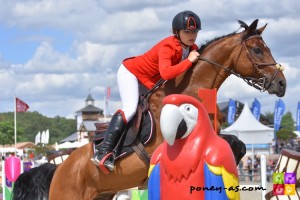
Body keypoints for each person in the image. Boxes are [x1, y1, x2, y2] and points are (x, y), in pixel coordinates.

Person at [92, 10, 201, 173]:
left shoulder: (192, 48)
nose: (191, 35)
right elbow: (166, 73)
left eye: (194, 31)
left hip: (149, 81)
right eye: (187, 31)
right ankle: (103, 152)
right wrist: (190, 61)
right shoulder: (168, 46)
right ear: (176, 32)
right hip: (131, 73)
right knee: (130, 109)